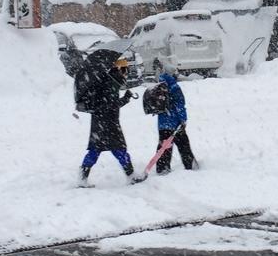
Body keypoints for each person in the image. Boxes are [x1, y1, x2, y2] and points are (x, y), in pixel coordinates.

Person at [77, 51, 140, 187]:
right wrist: (125, 99)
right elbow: (111, 105)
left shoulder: (108, 80)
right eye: (125, 69)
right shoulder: (110, 83)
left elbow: (109, 104)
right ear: (118, 69)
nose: (126, 73)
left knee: (96, 150)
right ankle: (131, 176)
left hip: (99, 122)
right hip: (108, 123)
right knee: (119, 149)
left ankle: (82, 178)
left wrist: (123, 98)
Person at [154, 66, 197, 175]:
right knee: (184, 145)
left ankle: (162, 168)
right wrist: (183, 120)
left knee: (164, 147)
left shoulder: (160, 85)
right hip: (175, 124)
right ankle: (190, 165)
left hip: (163, 124)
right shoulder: (174, 87)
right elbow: (180, 105)